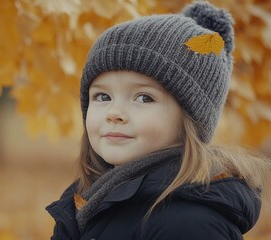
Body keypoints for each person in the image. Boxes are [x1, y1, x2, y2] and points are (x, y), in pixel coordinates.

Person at [46, 1, 271, 239]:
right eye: (103, 96)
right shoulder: (88, 202)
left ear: (190, 118)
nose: (114, 113)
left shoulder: (188, 224)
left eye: (144, 98)